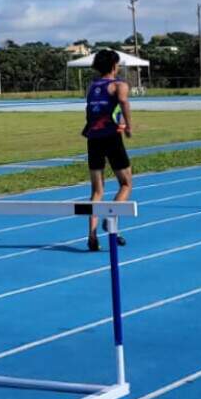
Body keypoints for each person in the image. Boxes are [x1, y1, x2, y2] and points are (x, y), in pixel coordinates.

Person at [82, 49, 132, 252]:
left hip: (93, 139)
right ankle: (110, 219)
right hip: (111, 138)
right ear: (114, 66)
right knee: (126, 183)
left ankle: (91, 235)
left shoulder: (91, 87)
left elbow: (90, 111)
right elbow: (123, 101)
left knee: (96, 191)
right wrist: (128, 126)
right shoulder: (119, 85)